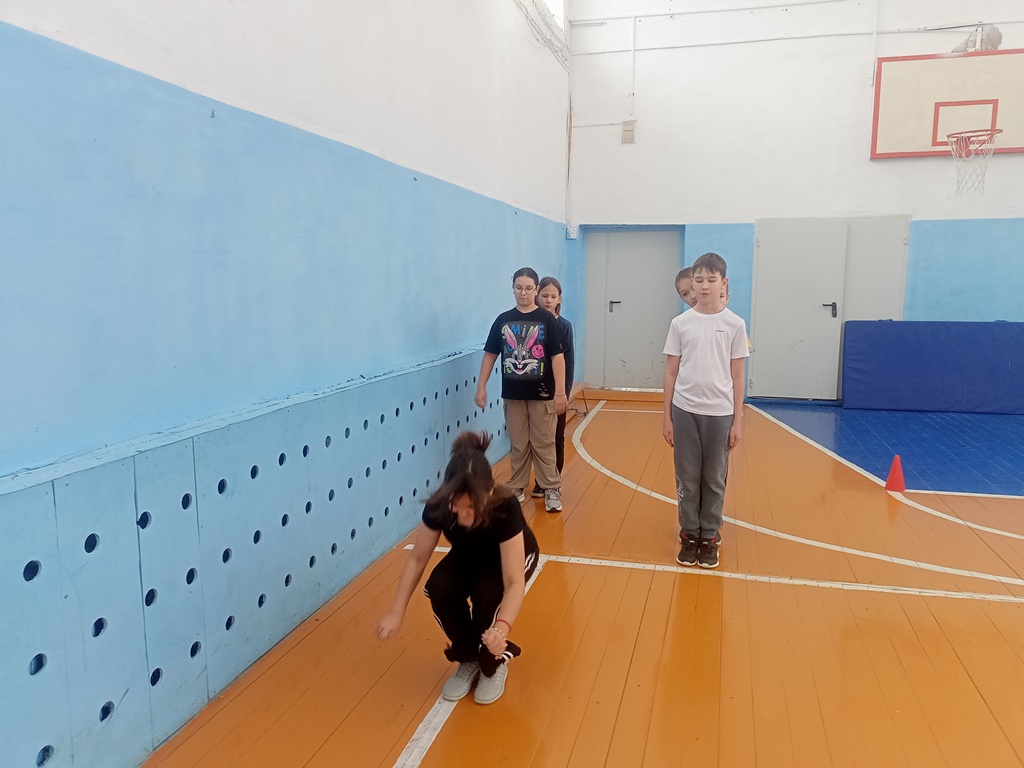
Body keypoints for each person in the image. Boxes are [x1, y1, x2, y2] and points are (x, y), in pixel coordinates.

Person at [376, 431, 540, 705]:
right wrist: (396, 611)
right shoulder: (439, 506)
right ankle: (469, 656)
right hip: (470, 553)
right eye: (457, 507)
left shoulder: (505, 507)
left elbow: (513, 582)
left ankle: (493, 663)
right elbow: (417, 559)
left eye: (471, 508)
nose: (463, 515)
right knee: (440, 586)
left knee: (488, 595)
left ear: (488, 493)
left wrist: (501, 629)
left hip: (512, 557)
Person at [661, 252, 749, 569]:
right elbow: (671, 371)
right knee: (687, 476)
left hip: (720, 414)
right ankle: (689, 534)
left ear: (723, 283)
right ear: (692, 283)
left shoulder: (735, 324)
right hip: (685, 411)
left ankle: (709, 535)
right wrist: (667, 416)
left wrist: (737, 420)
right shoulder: (680, 324)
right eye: (699, 280)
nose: (704, 286)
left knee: (714, 476)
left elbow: (737, 376)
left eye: (711, 280)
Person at [475, 268, 567, 512]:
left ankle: (551, 488)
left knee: (544, 442)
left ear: (536, 289)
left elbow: (558, 358)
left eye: (528, 288)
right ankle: (516, 486)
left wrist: (560, 392)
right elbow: (490, 355)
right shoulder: (503, 320)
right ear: (513, 289)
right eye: (518, 288)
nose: (523, 293)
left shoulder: (547, 320)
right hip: (513, 395)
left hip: (543, 396)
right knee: (518, 443)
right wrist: (481, 386)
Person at [531, 276, 574, 499]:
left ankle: (553, 482)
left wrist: (564, 392)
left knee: (556, 437)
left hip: (556, 392)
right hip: (535, 392)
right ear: (537, 296)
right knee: (538, 439)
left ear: (559, 299)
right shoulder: (532, 324)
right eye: (544, 295)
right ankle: (540, 480)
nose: (548, 300)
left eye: (553, 296)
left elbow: (569, 361)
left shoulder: (564, 326)